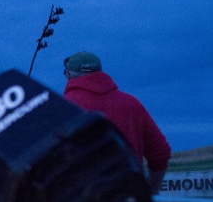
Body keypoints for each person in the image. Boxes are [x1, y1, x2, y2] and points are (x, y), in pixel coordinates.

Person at [62, 51, 171, 193]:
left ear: (69, 75)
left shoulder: (64, 108)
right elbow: (160, 152)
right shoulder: (132, 104)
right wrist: (152, 189)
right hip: (130, 198)